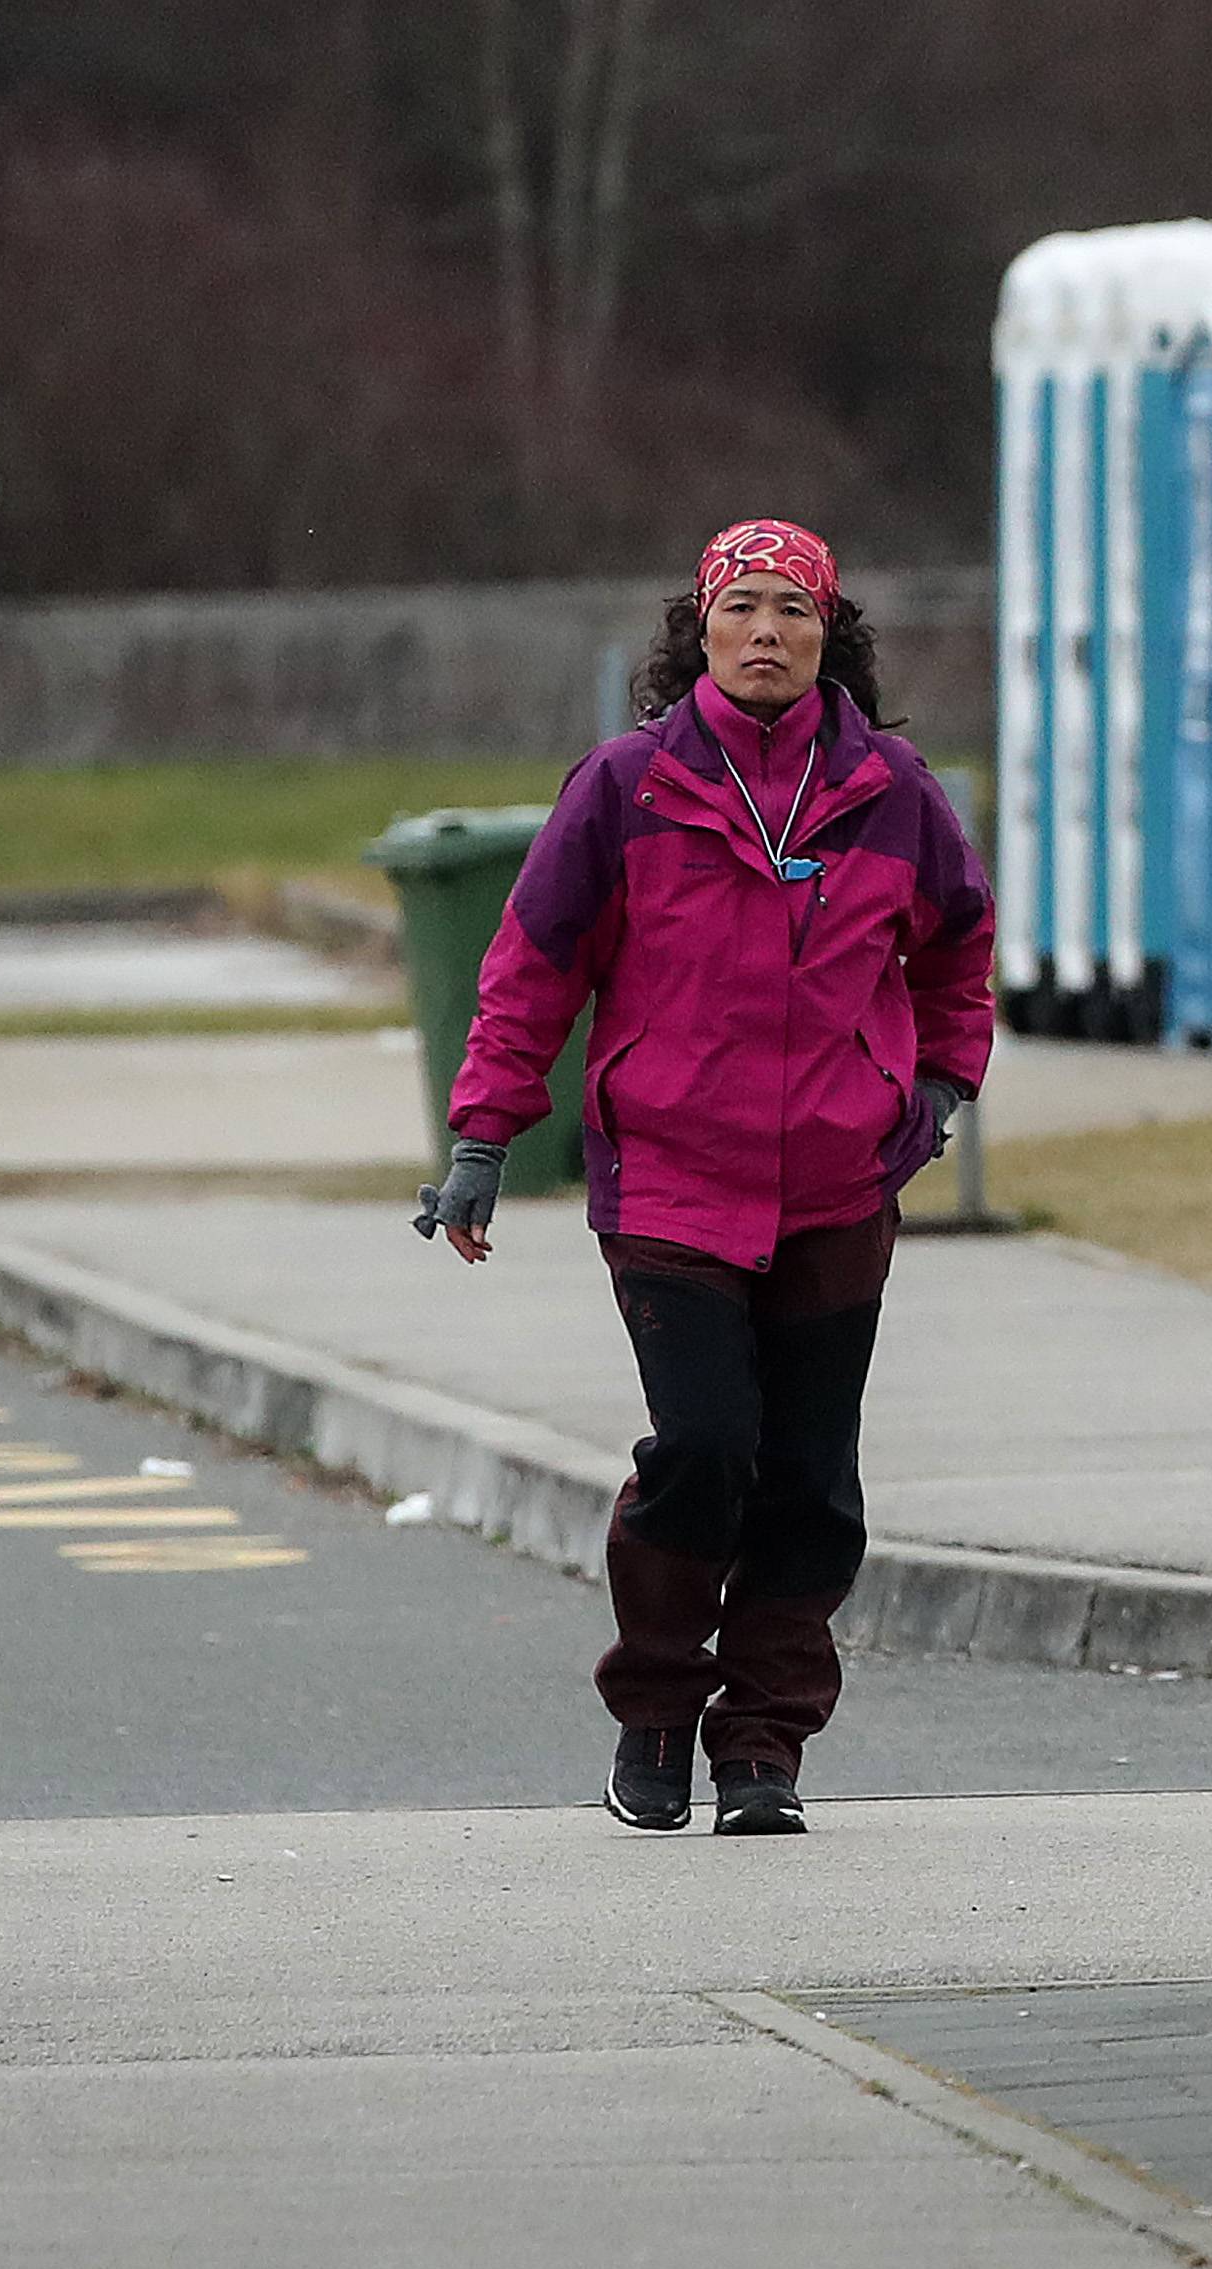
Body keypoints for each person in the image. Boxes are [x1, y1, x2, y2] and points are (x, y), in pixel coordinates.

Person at [415, 520, 995, 1836]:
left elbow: (959, 948)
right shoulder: (626, 787)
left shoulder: (893, 789)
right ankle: (658, 1701)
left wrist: (942, 1087)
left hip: (840, 1181)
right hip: (672, 1180)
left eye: (795, 609)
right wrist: (482, 1140)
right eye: (745, 608)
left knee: (810, 1471)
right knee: (705, 1448)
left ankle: (763, 1744)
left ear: (826, 631)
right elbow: (532, 963)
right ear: (703, 629)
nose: (770, 632)